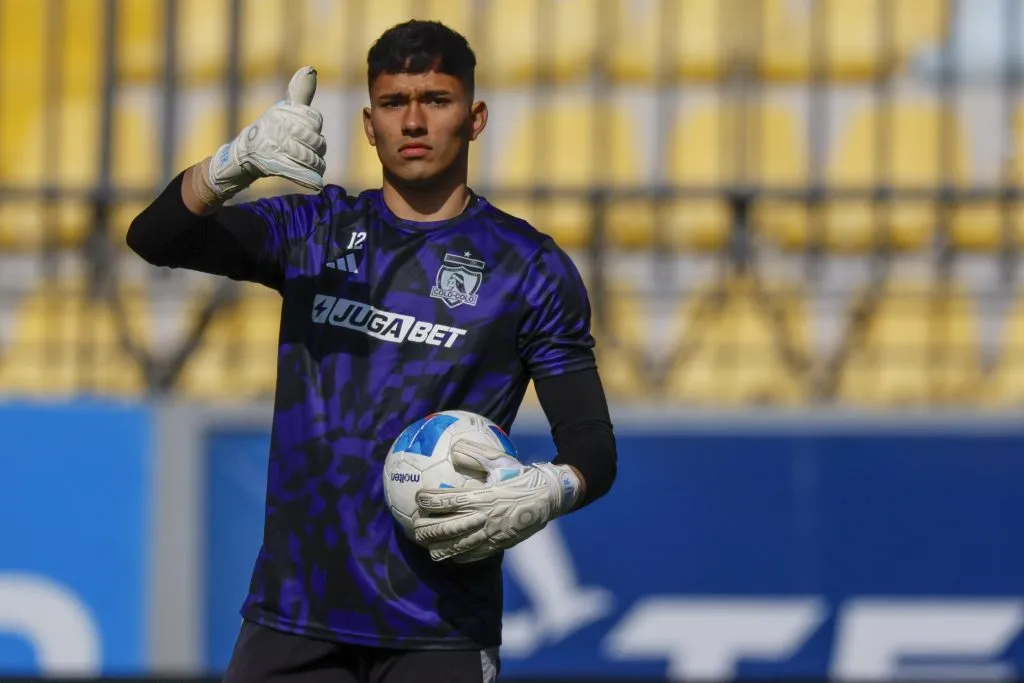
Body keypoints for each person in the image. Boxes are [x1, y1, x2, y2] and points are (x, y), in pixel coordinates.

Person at [127, 19, 617, 683]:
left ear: (474, 118)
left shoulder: (528, 267)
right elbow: (155, 237)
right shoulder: (314, 229)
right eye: (393, 103)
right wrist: (230, 164)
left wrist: (550, 487)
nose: (413, 122)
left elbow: (591, 443)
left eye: (435, 101)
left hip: (439, 627)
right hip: (291, 615)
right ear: (367, 123)